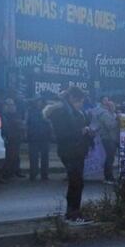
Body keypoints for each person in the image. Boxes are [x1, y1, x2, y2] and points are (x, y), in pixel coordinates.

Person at [45, 87, 94, 224]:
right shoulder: (62, 112)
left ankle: (73, 213)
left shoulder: (74, 111)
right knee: (76, 182)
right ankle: (73, 214)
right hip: (70, 151)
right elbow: (62, 134)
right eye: (80, 101)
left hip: (77, 150)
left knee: (77, 182)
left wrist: (88, 132)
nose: (81, 104)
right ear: (72, 98)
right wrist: (81, 131)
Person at [93, 96, 120, 183]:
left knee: (110, 158)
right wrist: (117, 120)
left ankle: (109, 176)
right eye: (105, 100)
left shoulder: (109, 113)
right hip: (108, 138)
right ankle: (108, 177)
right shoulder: (103, 113)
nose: (108, 102)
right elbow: (110, 125)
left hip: (111, 137)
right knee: (109, 158)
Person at [25, 97, 52, 181]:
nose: (39, 102)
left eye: (40, 101)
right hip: (33, 137)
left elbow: (50, 123)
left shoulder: (47, 110)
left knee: (45, 157)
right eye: (37, 101)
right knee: (33, 157)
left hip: (44, 137)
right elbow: (26, 123)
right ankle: (33, 174)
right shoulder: (30, 111)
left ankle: (44, 175)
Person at [0, 98, 25, 181]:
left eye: (13, 105)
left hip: (16, 137)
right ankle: (7, 173)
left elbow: (20, 124)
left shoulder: (16, 114)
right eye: (9, 105)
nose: (12, 107)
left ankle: (16, 171)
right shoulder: (4, 115)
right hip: (9, 137)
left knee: (16, 155)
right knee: (9, 156)